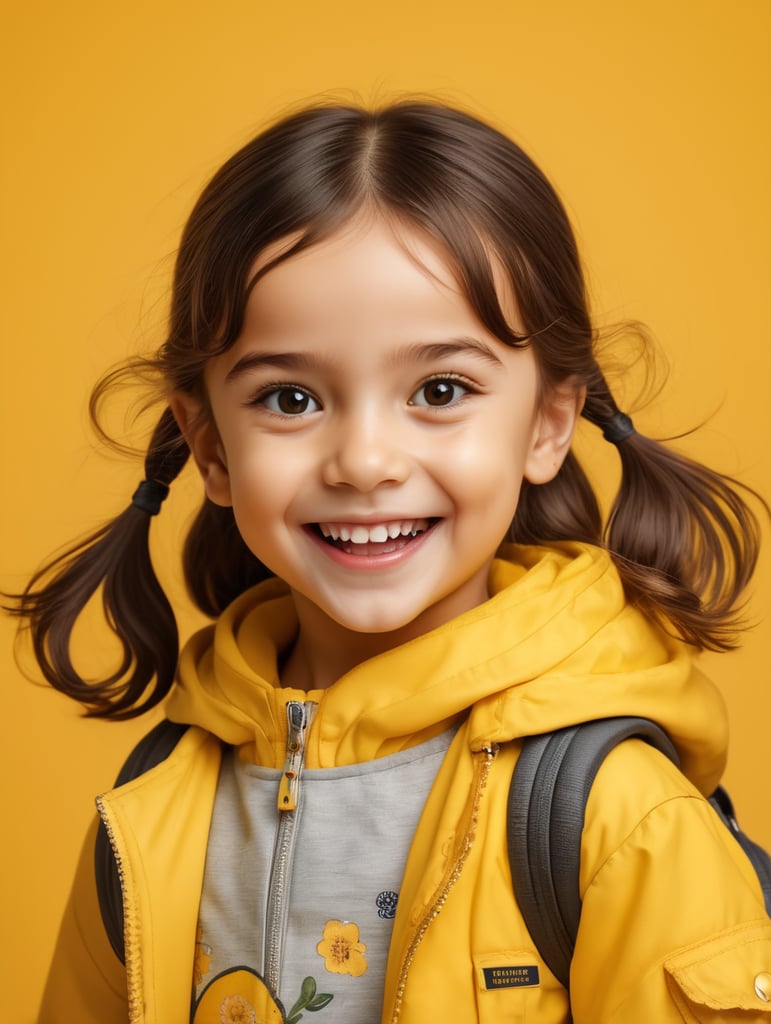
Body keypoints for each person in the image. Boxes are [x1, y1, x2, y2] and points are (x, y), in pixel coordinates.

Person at [10, 101, 771, 1024]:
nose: (364, 461)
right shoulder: (152, 811)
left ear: (547, 422)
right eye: (289, 398)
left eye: (439, 390)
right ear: (207, 445)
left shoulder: (614, 819)